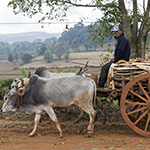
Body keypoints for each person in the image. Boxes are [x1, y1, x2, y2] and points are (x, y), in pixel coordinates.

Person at [98, 23, 131, 88]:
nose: (116, 33)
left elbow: (121, 51)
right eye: (115, 32)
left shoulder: (122, 39)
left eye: (117, 31)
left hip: (122, 60)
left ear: (121, 31)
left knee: (104, 68)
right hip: (120, 59)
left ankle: (100, 86)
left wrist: (115, 59)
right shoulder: (121, 39)